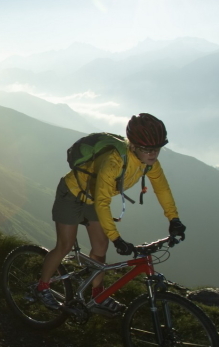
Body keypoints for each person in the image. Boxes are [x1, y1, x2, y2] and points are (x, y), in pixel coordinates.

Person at [36, 113, 186, 314]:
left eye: (157, 149)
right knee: (65, 245)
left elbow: (162, 189)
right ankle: (42, 287)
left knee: (100, 247)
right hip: (71, 194)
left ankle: (98, 295)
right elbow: (103, 203)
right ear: (132, 145)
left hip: (94, 197)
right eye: (147, 149)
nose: (153, 154)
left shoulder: (150, 164)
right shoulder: (113, 161)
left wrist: (173, 219)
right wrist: (117, 238)